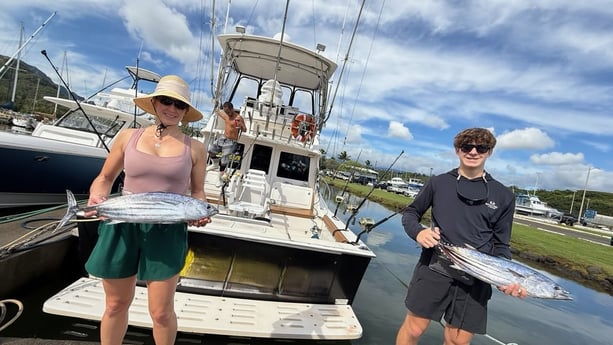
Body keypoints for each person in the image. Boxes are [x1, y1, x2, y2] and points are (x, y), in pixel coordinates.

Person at [83, 75, 211, 345]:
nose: (172, 109)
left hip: (167, 230)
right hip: (122, 224)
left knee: (161, 312)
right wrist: (97, 196)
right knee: (115, 304)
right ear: (154, 102)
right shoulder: (128, 136)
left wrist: (200, 210)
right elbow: (104, 178)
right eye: (166, 101)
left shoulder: (196, 148)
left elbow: (198, 191)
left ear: (186, 111)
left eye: (180, 105)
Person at [395, 128, 525, 345]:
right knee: (415, 329)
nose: (473, 152)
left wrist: (507, 277)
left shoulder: (504, 195)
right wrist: (419, 232)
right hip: (435, 266)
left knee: (457, 341)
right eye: (467, 147)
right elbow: (410, 213)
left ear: (489, 152)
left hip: (477, 277)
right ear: (457, 150)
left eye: (481, 147)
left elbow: (501, 245)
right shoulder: (438, 183)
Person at [208, 101, 247, 173]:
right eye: (226, 112)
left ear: (232, 109)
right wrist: (215, 104)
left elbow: (245, 130)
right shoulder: (226, 116)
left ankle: (220, 176)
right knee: (210, 150)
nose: (228, 113)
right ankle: (215, 164)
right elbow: (218, 112)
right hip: (223, 138)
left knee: (224, 161)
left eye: (228, 111)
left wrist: (241, 125)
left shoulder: (238, 118)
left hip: (231, 141)